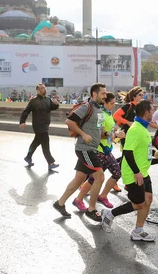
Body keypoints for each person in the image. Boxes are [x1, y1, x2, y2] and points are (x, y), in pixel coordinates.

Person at [101, 100, 158, 241]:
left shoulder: (143, 128)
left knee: (148, 200)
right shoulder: (136, 129)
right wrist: (136, 172)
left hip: (143, 172)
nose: (154, 112)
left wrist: (156, 155)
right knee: (138, 204)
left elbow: (144, 149)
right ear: (147, 112)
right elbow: (128, 153)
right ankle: (109, 215)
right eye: (152, 110)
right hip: (133, 173)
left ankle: (138, 230)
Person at [53, 83, 108, 221]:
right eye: (103, 93)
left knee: (79, 179)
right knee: (99, 177)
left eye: (106, 94)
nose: (105, 96)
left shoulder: (100, 111)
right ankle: (91, 209)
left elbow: (100, 132)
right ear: (94, 94)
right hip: (85, 149)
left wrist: (111, 134)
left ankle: (60, 203)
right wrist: (83, 134)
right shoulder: (87, 107)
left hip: (92, 149)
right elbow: (70, 121)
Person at [72, 92, 126, 211]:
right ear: (105, 103)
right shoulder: (101, 115)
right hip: (99, 150)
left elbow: (111, 132)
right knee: (114, 172)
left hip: (106, 150)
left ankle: (80, 199)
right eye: (111, 103)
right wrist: (115, 134)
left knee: (94, 178)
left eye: (114, 103)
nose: (113, 105)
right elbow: (99, 134)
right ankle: (98, 199)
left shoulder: (108, 114)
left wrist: (117, 134)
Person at [19, 83, 60, 170]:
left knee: (36, 142)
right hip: (38, 126)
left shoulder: (48, 99)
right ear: (37, 90)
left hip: (45, 125)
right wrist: (22, 121)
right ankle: (51, 163)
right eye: (41, 88)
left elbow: (52, 107)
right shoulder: (33, 101)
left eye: (44, 88)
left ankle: (28, 157)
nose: (44, 90)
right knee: (45, 144)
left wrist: (56, 104)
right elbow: (26, 111)